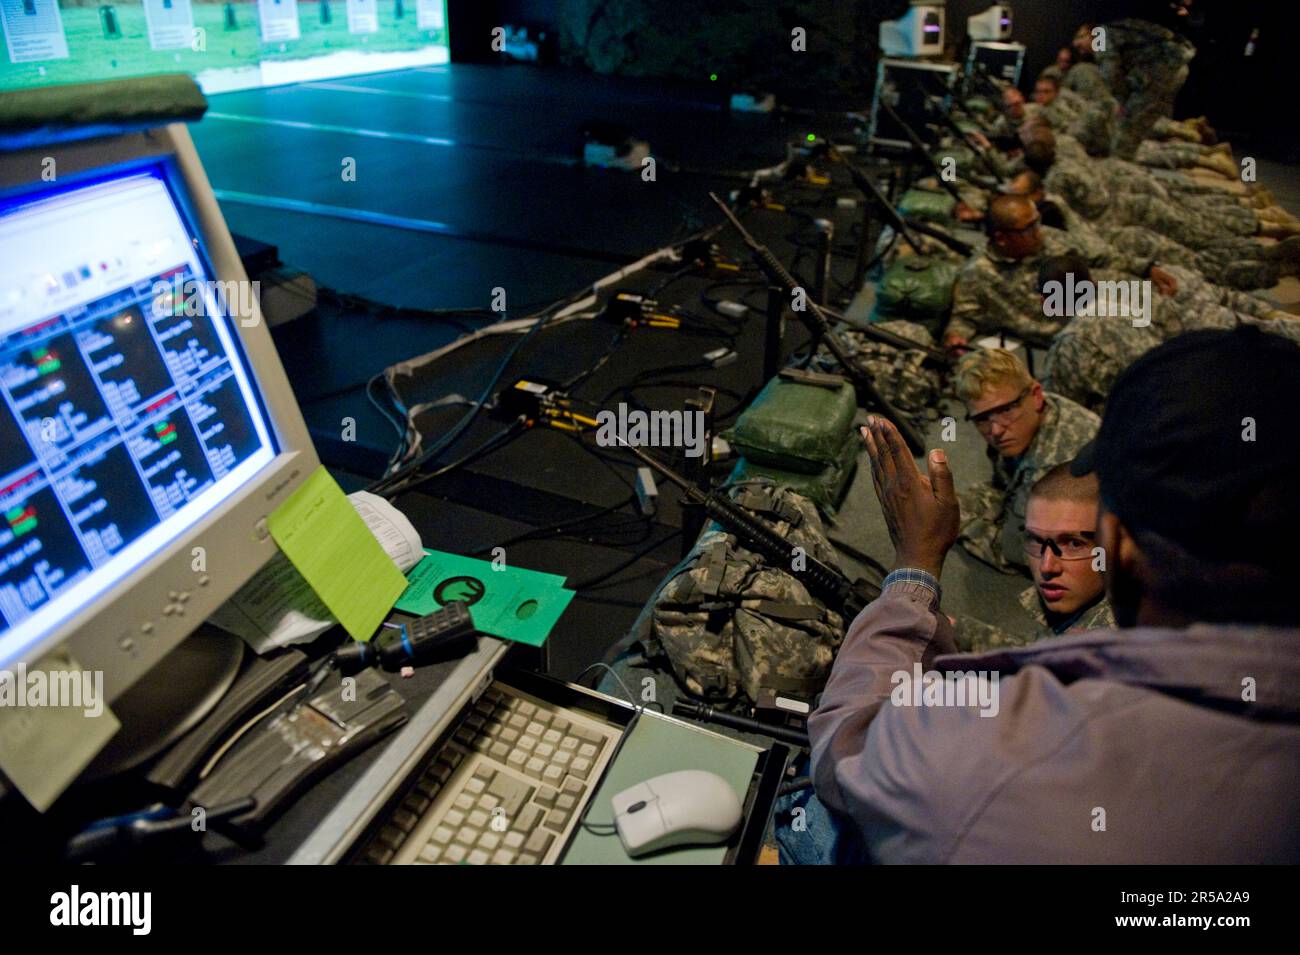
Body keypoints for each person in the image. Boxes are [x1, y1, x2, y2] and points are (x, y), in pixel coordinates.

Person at [810, 326, 1300, 862]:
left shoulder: (1009, 742)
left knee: (813, 828)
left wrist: (915, 570)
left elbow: (847, 754)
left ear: (1114, 543)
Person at [950, 347, 1098, 574]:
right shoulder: (1042, 409)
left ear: (1036, 395)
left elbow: (1020, 551)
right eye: (981, 419)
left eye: (1006, 410)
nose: (996, 430)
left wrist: (953, 524)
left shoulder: (1053, 466)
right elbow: (1004, 486)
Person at [954, 463, 1114, 653]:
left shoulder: (1116, 645)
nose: (1047, 567)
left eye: (1073, 544)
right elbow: (1041, 653)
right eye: (1036, 540)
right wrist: (958, 630)